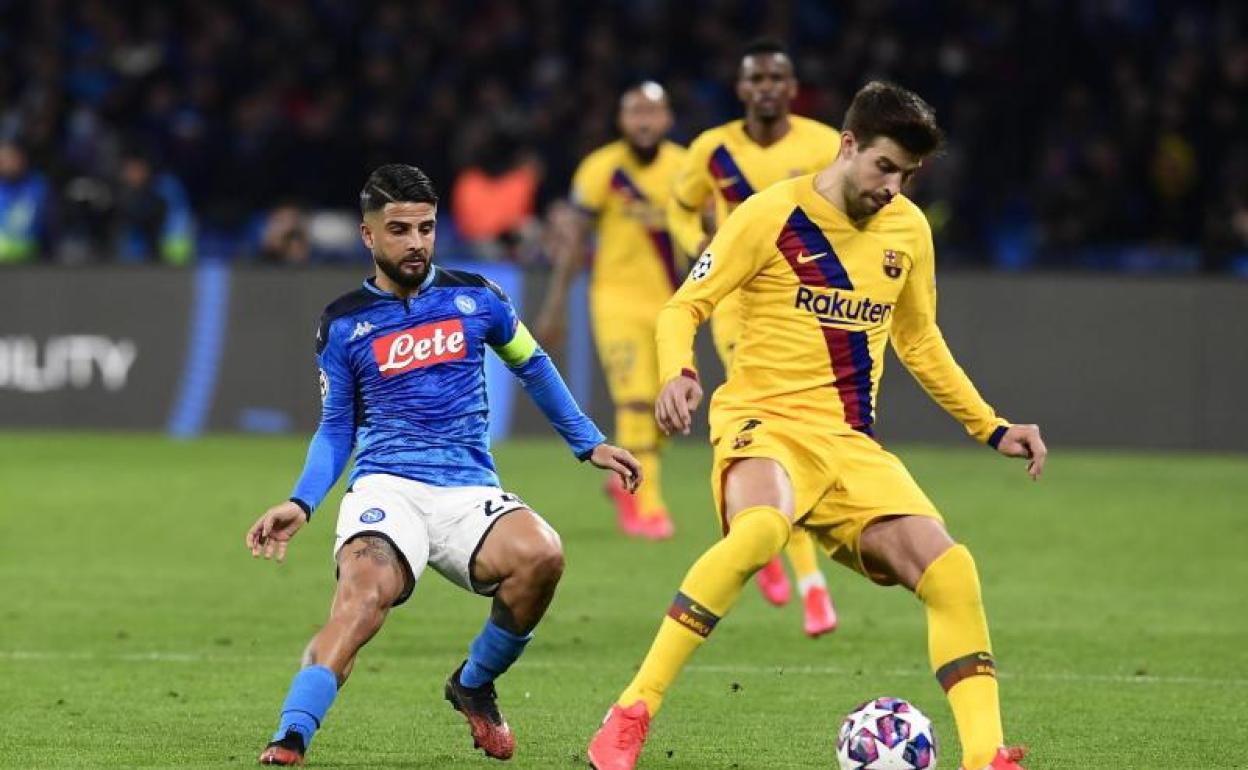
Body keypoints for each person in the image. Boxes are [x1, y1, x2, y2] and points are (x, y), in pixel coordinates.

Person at [588, 82, 1046, 770]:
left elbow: (919, 343)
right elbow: (683, 308)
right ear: (849, 145)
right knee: (764, 532)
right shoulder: (769, 215)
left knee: (952, 570)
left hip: (849, 445)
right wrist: (679, 371)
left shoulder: (908, 231)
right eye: (885, 168)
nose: (894, 187)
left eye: (909, 176)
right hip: (762, 425)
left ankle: (985, 757)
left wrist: (991, 427)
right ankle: (631, 712)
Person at [245, 164, 641, 766]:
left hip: (466, 488)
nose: (415, 243)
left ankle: (473, 684)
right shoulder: (345, 321)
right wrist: (300, 502)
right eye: (399, 230)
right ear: (368, 237)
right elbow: (335, 427)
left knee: (543, 555)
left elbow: (532, 364)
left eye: (426, 228)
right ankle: (292, 735)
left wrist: (588, 442)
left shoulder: (476, 297)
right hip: (386, 485)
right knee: (362, 600)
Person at [666, 38, 843, 635]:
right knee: (771, 425)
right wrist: (698, 248)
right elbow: (681, 206)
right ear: (741, 89)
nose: (766, 87)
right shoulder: (712, 149)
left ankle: (754, 531)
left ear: (792, 88)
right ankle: (811, 585)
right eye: (756, 78)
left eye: (776, 77)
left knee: (796, 428)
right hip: (741, 302)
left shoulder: (823, 145)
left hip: (808, 303)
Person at [534, 81, 685, 540]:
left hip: (672, 303)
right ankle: (647, 503)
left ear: (667, 119)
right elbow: (574, 243)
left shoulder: (686, 167)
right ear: (621, 120)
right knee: (635, 399)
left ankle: (624, 483)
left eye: (652, 112)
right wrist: (556, 305)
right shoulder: (601, 169)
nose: (643, 120)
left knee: (669, 409)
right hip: (614, 299)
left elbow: (708, 232)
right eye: (634, 111)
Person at [0, 138, 50, 263]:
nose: (10, 163)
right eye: (4, 159)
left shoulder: (38, 186)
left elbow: (49, 221)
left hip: (33, 257)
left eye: (13, 157)